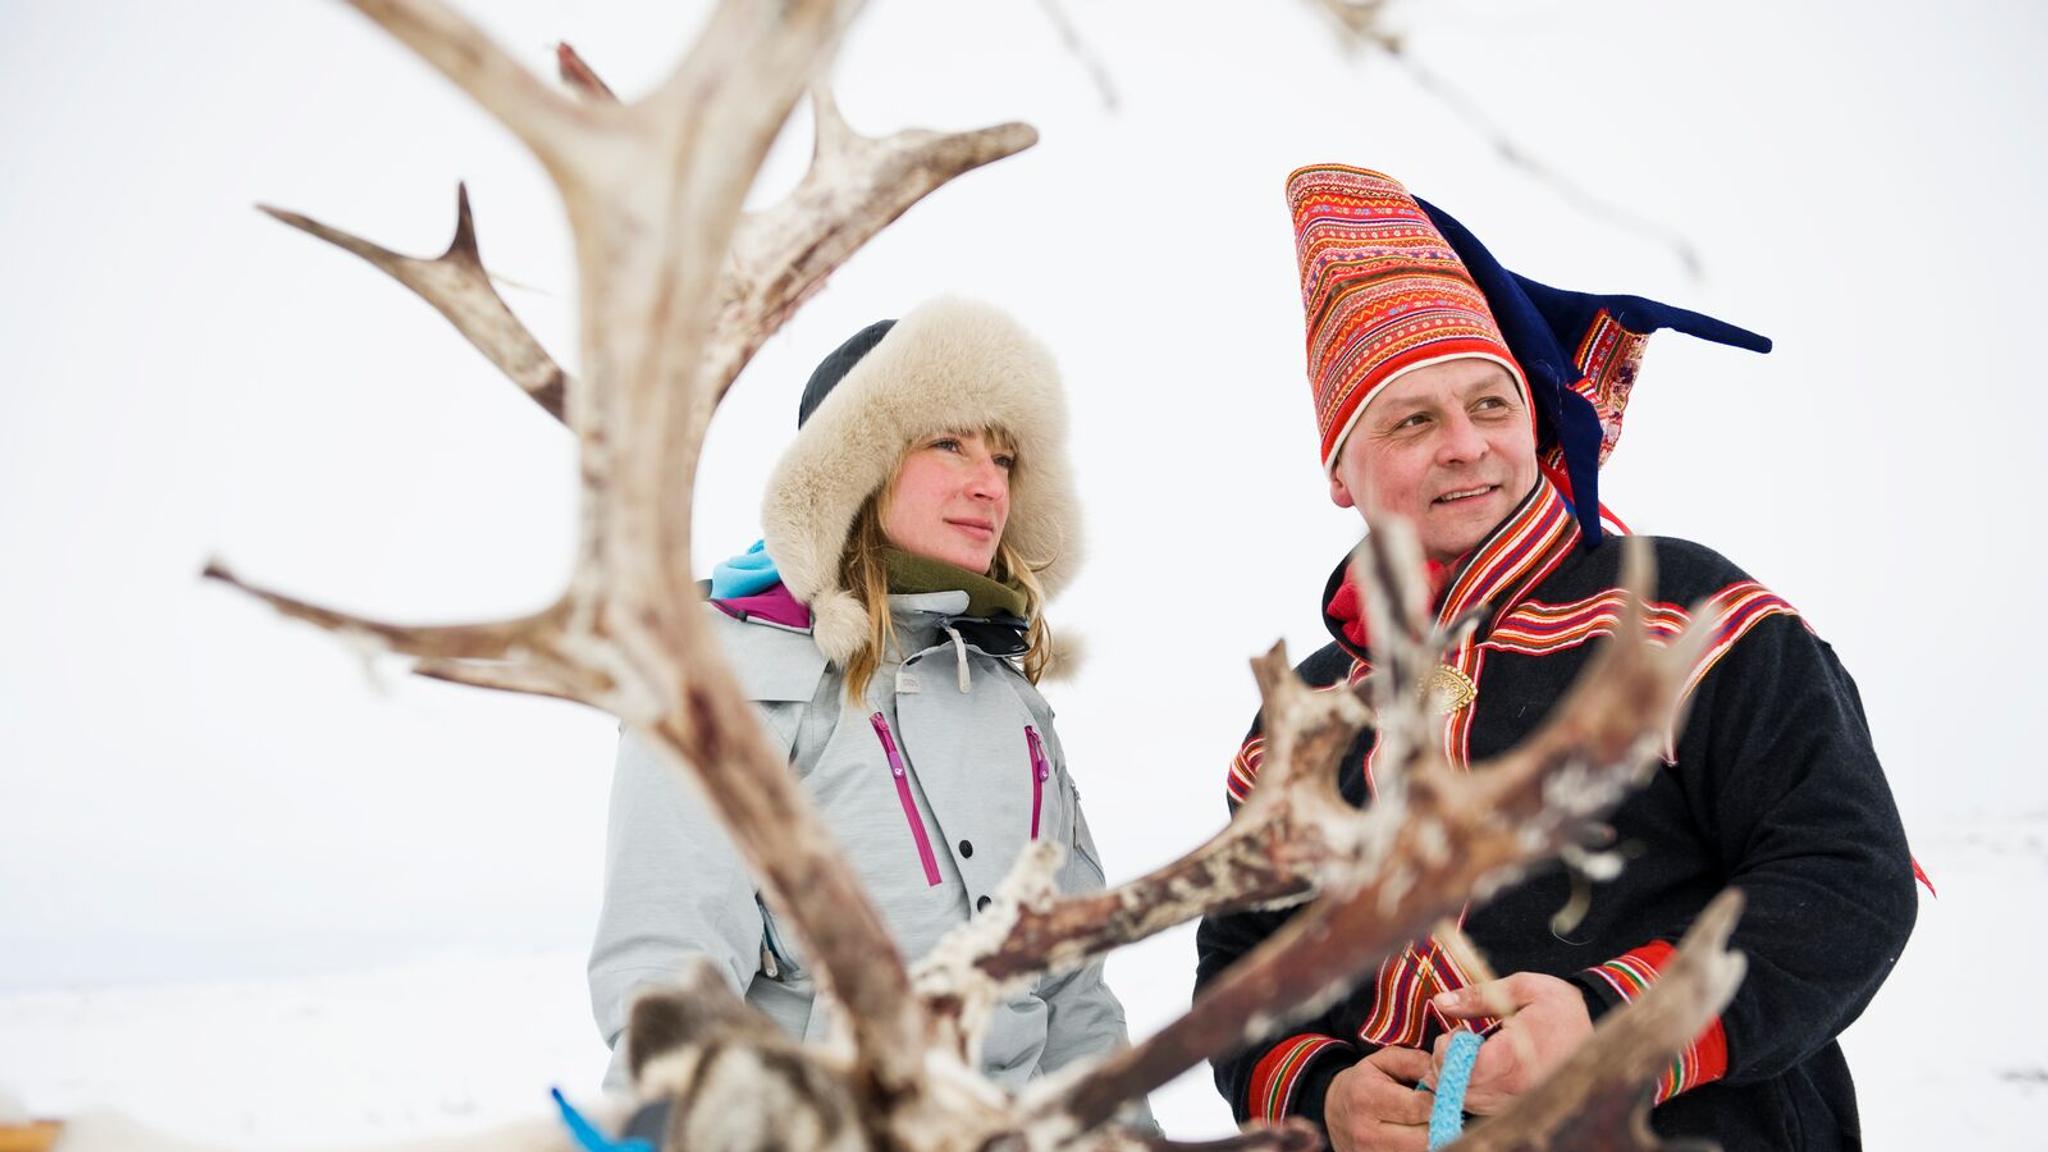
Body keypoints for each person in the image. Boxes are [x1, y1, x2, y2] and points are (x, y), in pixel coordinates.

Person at [1196, 165, 1918, 1150]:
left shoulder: (1688, 613)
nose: (1465, 444)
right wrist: (1321, 1092)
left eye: (1490, 405)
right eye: (1412, 419)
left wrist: (1608, 1022)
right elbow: (1246, 961)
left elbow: (1842, 879)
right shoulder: (1306, 712)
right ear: (1339, 471)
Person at [589, 296, 1142, 1107]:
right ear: (856, 462)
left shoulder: (1009, 700)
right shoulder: (722, 683)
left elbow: (1072, 994)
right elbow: (669, 978)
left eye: (1005, 460)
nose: (988, 485)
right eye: (949, 444)